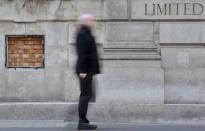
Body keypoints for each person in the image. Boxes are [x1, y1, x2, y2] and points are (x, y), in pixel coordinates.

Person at [75, 14, 100, 130]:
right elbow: (82, 53)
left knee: (87, 95)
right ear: (85, 21)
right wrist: (82, 70)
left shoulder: (87, 32)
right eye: (91, 19)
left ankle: (83, 121)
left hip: (88, 70)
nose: (93, 21)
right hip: (85, 71)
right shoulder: (83, 34)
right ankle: (82, 122)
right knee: (85, 95)